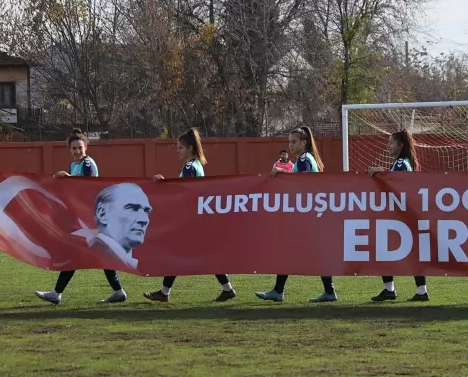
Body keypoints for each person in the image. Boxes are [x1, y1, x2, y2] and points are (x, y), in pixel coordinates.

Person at [35, 129, 128, 305]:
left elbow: (89, 188)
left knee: (81, 254)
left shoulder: (88, 164)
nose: (77, 151)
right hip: (82, 218)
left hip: (92, 218)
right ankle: (118, 291)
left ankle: (57, 293)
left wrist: (69, 178)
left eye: (80, 147)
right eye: (74, 148)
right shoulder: (73, 165)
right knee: (95, 254)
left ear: (86, 146)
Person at [145, 128, 236, 303]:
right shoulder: (196, 165)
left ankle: (165, 293)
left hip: (191, 221)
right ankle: (227, 289)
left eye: (180, 147)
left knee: (177, 254)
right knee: (204, 256)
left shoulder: (189, 167)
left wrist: (164, 184)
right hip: (197, 219)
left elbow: (184, 193)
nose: (177, 150)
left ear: (191, 149)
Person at [257, 126, 337, 303]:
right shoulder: (304, 159)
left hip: (307, 218)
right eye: (289, 142)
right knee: (298, 252)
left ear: (304, 142)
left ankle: (280, 291)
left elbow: (306, 185)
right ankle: (326, 291)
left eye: (294, 142)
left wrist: (283, 174)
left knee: (292, 252)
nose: (290, 145)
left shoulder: (304, 160)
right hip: (308, 217)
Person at [368, 130, 429, 302]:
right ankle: (409, 290)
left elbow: (398, 185)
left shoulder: (402, 163)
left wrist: (381, 173)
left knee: (389, 250)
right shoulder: (402, 162)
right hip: (401, 215)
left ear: (400, 145)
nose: (388, 146)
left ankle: (409, 290)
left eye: (391, 143)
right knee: (396, 251)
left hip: (401, 216)